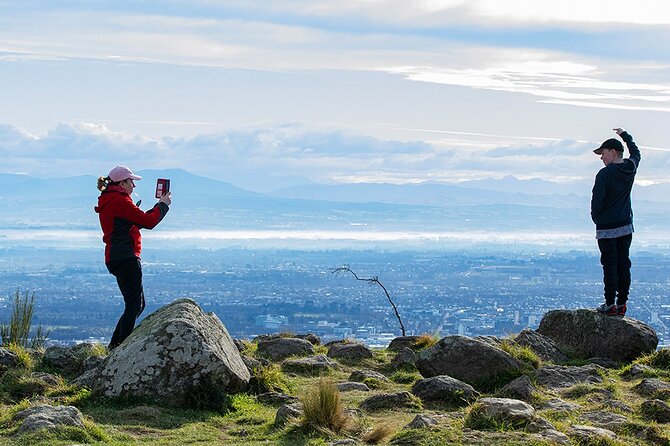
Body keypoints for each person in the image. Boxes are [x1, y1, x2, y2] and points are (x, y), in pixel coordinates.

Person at [95, 166, 171, 349]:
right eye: (131, 182)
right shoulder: (119, 201)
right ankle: (121, 348)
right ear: (122, 183)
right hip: (126, 256)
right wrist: (163, 205)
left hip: (115, 256)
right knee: (135, 305)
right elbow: (148, 222)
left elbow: (138, 220)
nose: (133, 187)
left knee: (136, 304)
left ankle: (115, 346)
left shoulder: (110, 200)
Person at [591, 128, 640, 317]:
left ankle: (610, 303)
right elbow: (636, 153)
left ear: (612, 152)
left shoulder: (604, 175)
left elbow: (597, 202)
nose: (601, 158)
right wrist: (625, 136)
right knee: (623, 264)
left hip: (606, 229)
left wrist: (598, 219)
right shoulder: (630, 168)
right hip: (626, 226)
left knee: (609, 265)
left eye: (603, 153)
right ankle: (622, 304)